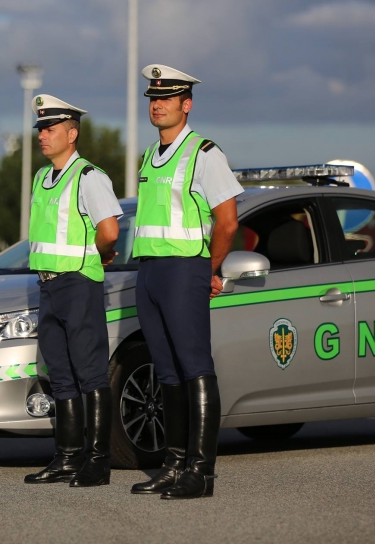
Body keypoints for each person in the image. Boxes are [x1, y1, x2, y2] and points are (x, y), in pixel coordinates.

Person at [130, 65, 242, 499]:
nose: (157, 104)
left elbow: (228, 222)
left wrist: (207, 269)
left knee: (195, 368)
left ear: (186, 104)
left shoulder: (204, 153)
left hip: (184, 271)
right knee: (167, 372)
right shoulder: (148, 155)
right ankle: (173, 465)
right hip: (150, 274)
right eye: (153, 98)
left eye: (167, 97)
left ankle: (201, 471)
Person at [23, 94, 123, 488]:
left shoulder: (88, 177)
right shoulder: (41, 178)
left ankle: (98, 461)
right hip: (47, 285)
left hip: (78, 284)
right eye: (40, 129)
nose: (42, 136)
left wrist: (92, 258)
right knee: (61, 375)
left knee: (90, 374)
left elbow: (110, 230)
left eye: (50, 129)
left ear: (72, 132)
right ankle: (66, 458)